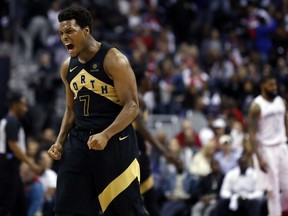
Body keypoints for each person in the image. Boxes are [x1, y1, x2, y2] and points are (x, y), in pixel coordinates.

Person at [47, 6, 148, 216]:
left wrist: (106, 134)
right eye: (61, 33)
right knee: (66, 208)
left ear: (86, 31)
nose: (64, 37)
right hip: (79, 141)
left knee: (125, 210)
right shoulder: (67, 67)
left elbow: (132, 106)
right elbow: (70, 109)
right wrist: (59, 141)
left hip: (114, 139)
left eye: (69, 32)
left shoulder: (114, 60)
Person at [133, 69, 176, 216]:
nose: (150, 81)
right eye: (148, 78)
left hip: (134, 152)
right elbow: (142, 129)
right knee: (150, 202)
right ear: (142, 81)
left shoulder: (136, 98)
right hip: (136, 153)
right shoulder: (138, 99)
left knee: (141, 202)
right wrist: (164, 151)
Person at [248, 74, 288, 216]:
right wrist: (258, 158)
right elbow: (252, 134)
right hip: (267, 149)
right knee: (273, 191)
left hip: (282, 146)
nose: (274, 88)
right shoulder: (256, 106)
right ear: (263, 86)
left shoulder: (281, 101)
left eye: (275, 85)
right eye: (271, 85)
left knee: (287, 186)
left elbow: (285, 122)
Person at [0, 91, 41, 216]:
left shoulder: (11, 121)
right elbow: (13, 146)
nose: (25, 109)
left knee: (20, 205)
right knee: (5, 206)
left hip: (12, 167)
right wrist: (31, 164)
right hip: (7, 166)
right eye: (23, 105)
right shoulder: (11, 121)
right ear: (15, 105)